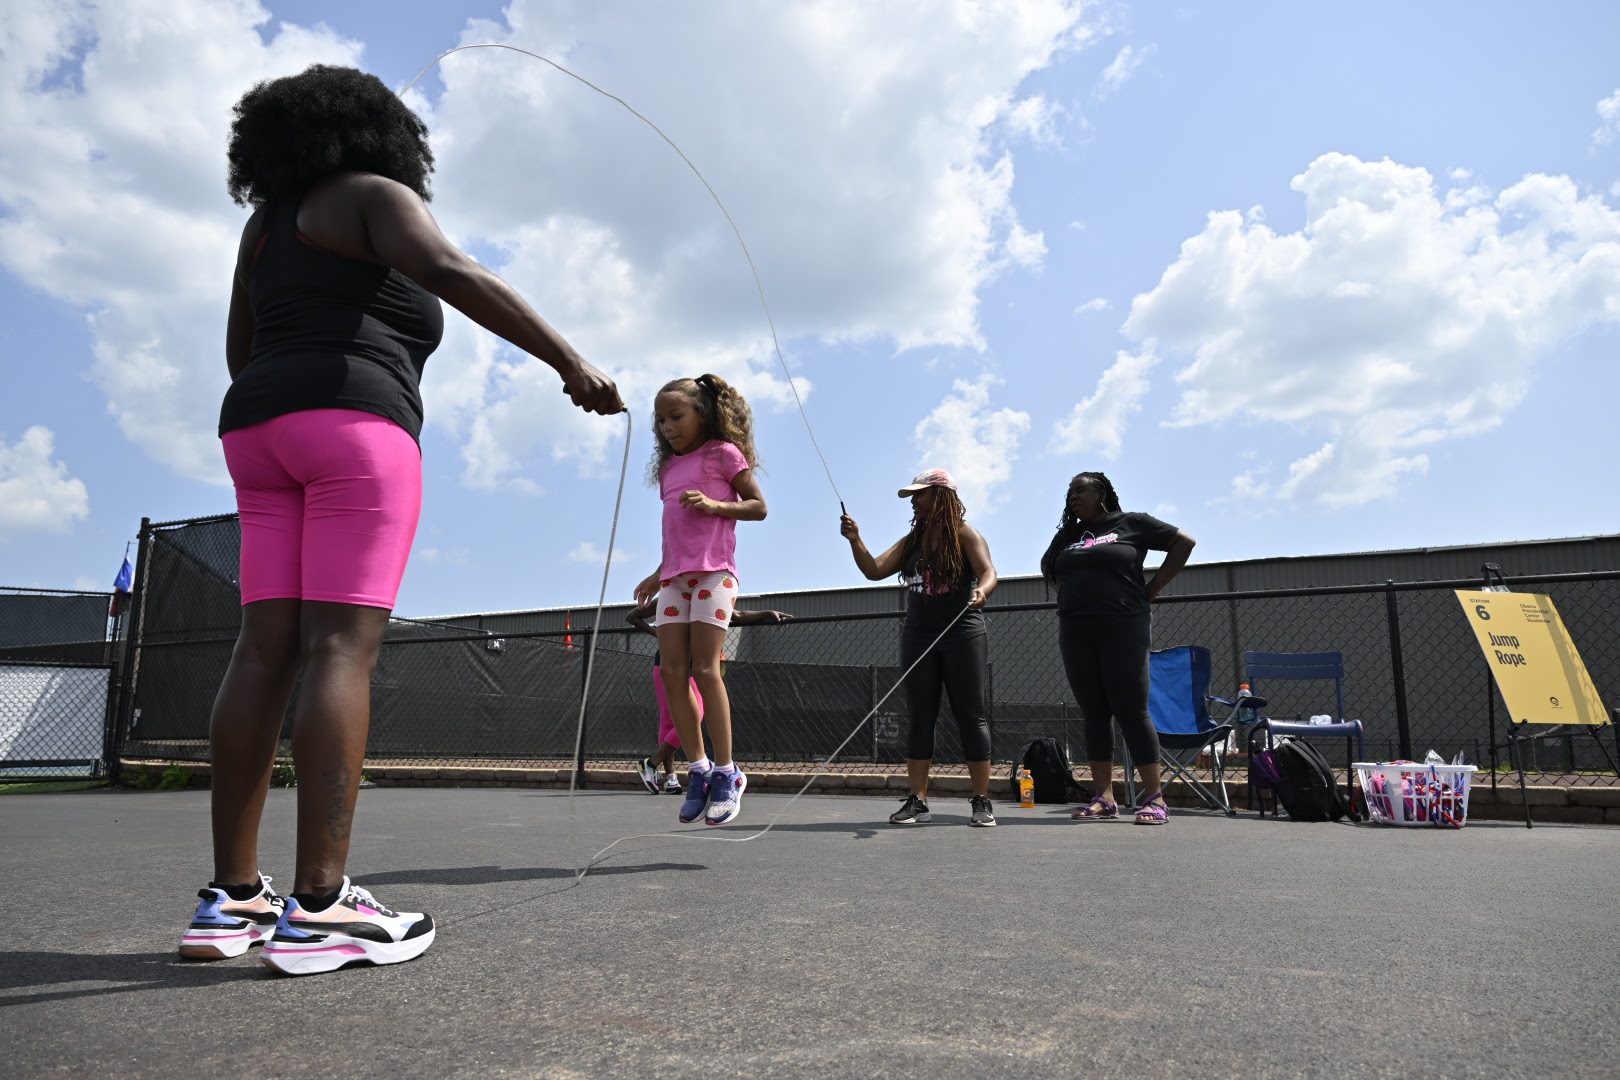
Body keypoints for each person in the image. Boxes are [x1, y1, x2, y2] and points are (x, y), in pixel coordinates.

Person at [184, 65, 622, 976]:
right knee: (342, 648)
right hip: (354, 428)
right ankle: (321, 907)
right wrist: (570, 363)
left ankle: (231, 900)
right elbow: (453, 271)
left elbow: (240, 348)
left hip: (256, 430)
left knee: (263, 648)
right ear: (380, 133)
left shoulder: (261, 230)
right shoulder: (375, 198)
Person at [633, 375, 767, 826]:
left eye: (676, 416)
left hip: (714, 575)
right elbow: (676, 534)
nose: (667, 427)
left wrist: (714, 504)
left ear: (702, 414)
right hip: (675, 578)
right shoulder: (669, 469)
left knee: (705, 669)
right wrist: (658, 572)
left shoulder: (723, 455)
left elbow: (758, 507)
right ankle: (699, 770)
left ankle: (729, 773)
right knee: (672, 672)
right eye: (661, 421)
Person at [839, 469, 1000, 827]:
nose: (913, 501)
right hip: (918, 635)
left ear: (940, 496)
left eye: (919, 494)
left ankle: (981, 800)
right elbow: (874, 569)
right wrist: (855, 539)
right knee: (920, 716)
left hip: (962, 633)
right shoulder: (913, 540)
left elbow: (989, 573)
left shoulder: (965, 534)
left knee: (970, 714)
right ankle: (918, 800)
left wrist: (981, 591)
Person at [1039, 472, 1195, 825]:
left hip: (1124, 626)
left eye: (1081, 490)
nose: (1073, 497)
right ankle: (1104, 798)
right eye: (1070, 492)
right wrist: (1063, 591)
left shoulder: (1132, 523)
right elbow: (1048, 564)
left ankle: (1154, 798)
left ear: (1103, 493)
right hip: (1076, 629)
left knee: (1131, 709)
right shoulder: (1069, 535)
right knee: (1094, 710)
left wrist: (1151, 588)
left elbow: (1184, 542)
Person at [627, 603, 792, 794]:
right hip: (668, 665)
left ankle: (651, 763)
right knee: (668, 720)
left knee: (695, 714)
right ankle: (670, 777)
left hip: (695, 668)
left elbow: (738, 614)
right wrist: (660, 635)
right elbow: (632, 617)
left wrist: (767, 612)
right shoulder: (671, 594)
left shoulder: (709, 597)